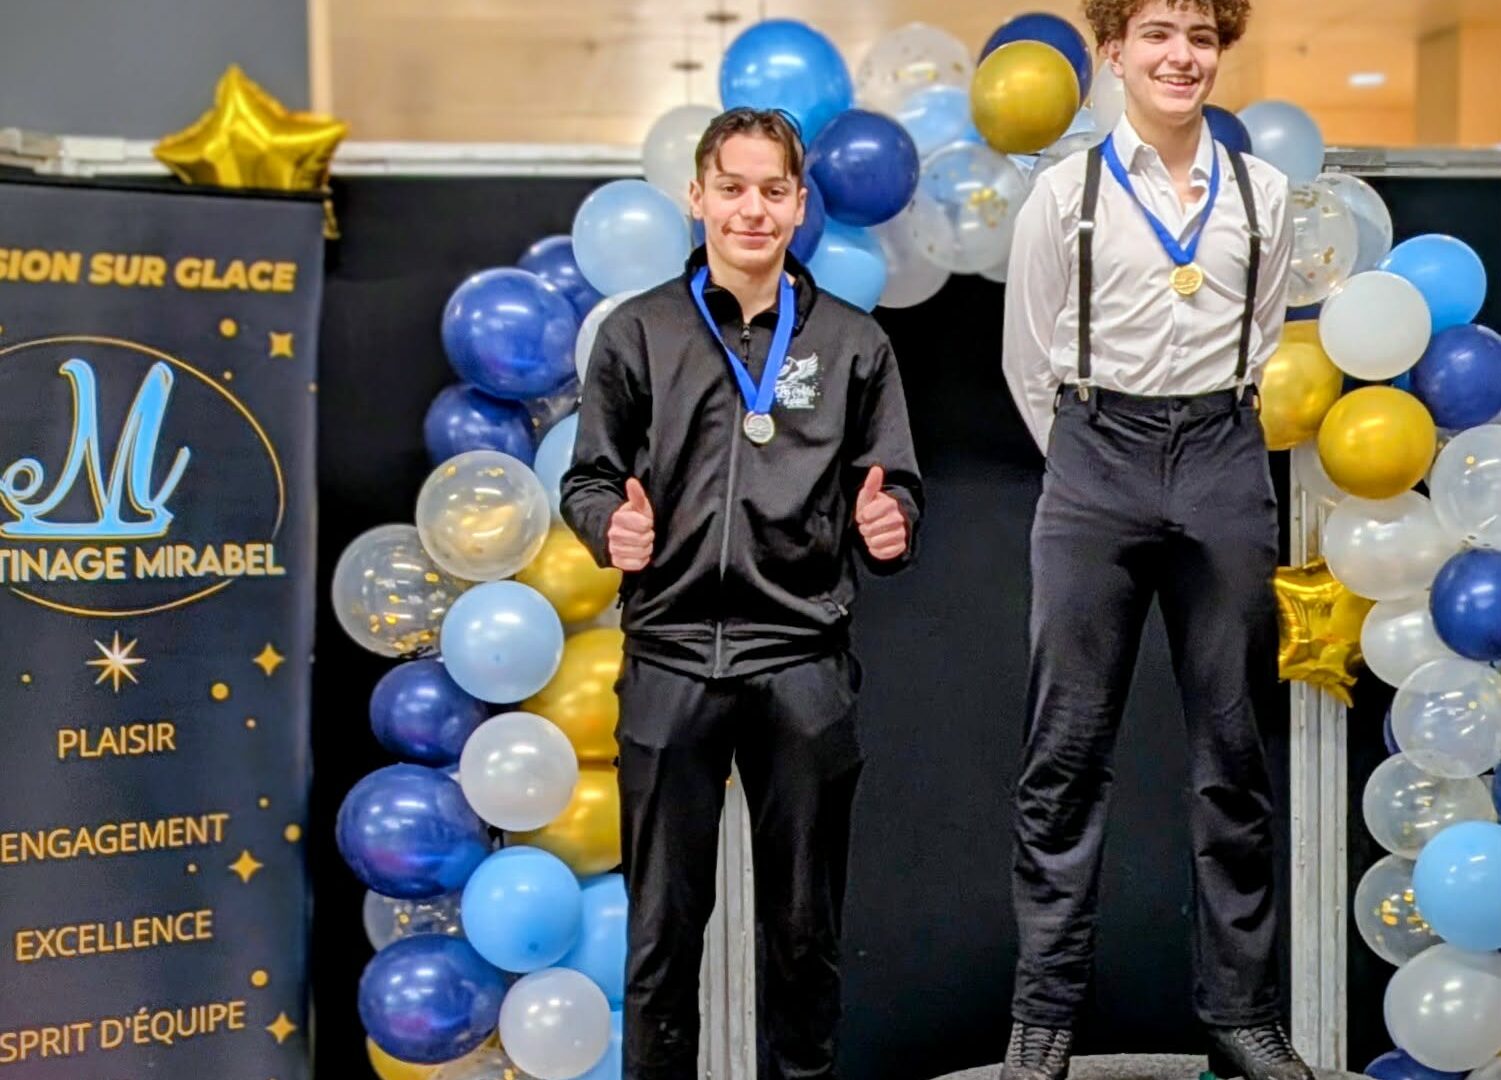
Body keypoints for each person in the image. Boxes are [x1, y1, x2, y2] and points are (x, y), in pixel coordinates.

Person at [560, 107, 922, 1080]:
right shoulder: (637, 333)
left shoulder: (854, 346)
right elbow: (589, 480)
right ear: (697, 196)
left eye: (772, 190)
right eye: (732, 187)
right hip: (669, 661)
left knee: (803, 939)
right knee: (661, 942)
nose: (751, 209)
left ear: (800, 205)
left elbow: (893, 490)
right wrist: (610, 528)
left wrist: (891, 531)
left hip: (801, 665)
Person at [1000, 1, 1304, 1078]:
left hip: (1222, 451)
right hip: (1095, 455)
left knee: (1233, 756)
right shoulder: (1063, 195)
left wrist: (1194, 433)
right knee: (1063, 758)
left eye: (1203, 38)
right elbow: (1027, 358)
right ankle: (1042, 1019)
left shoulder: (1262, 195)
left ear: (1220, 55)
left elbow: (1261, 333)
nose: (1183, 57)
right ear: (1114, 51)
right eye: (1160, 33)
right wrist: (1093, 457)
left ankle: (1239, 1017)